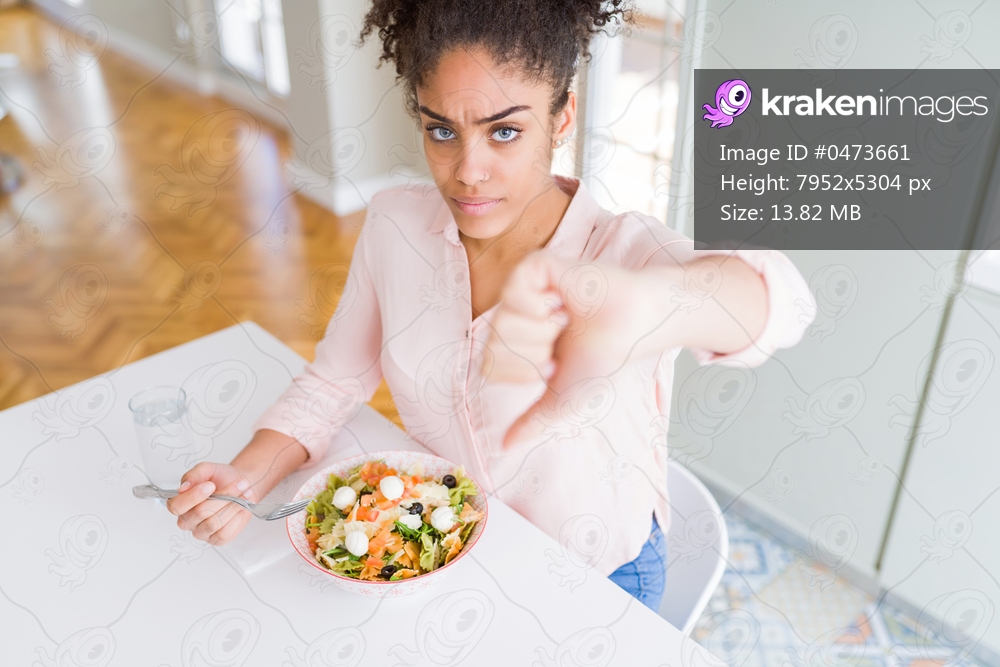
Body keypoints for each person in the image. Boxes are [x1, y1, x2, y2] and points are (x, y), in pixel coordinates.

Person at [166, 0, 817, 612]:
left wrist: (651, 304)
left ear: (562, 119)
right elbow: (334, 380)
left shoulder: (623, 251)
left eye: (504, 131)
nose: (467, 171)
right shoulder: (395, 224)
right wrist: (247, 475)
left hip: (596, 576)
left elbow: (778, 303)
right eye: (441, 130)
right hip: (453, 553)